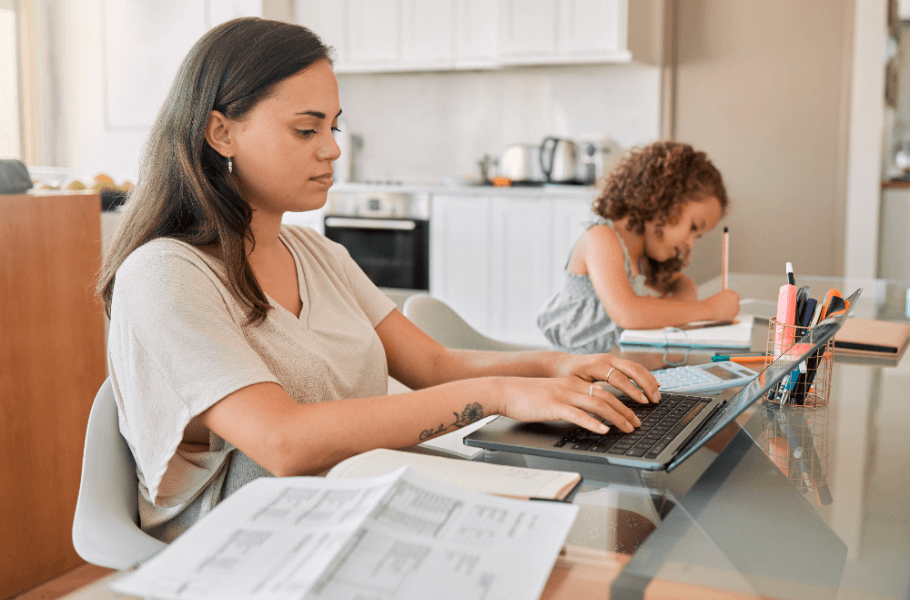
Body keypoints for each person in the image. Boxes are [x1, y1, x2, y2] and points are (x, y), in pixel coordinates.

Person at [97, 17, 661, 543]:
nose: (332, 148)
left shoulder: (318, 255)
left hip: (356, 501)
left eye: (333, 126)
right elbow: (283, 442)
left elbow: (436, 367)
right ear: (221, 132)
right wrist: (497, 393)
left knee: (583, 524)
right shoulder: (165, 273)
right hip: (252, 541)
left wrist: (553, 366)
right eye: (305, 128)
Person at [537, 141, 741, 354]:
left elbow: (673, 300)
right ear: (664, 198)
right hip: (568, 379)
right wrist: (709, 309)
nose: (689, 243)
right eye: (692, 227)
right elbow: (628, 312)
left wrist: (686, 288)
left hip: (611, 376)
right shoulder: (601, 239)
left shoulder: (644, 260)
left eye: (697, 237)